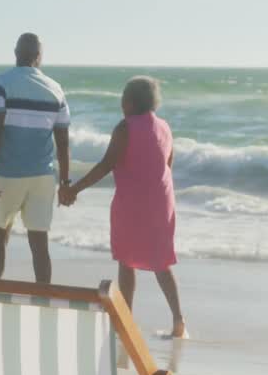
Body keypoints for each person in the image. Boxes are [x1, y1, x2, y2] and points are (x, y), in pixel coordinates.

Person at [63, 76, 187, 338]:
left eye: (123, 98)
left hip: (132, 202)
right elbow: (168, 163)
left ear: (130, 102)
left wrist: (74, 189)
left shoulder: (124, 128)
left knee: (126, 259)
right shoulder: (165, 126)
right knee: (161, 262)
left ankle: (127, 320)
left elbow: (106, 165)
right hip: (162, 200)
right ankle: (179, 321)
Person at [0, 32, 71, 282]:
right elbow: (63, 141)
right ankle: (44, 299)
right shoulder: (55, 89)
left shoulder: (1, 84)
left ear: (15, 53)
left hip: (6, 173)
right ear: (39, 57)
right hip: (43, 176)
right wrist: (65, 182)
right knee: (40, 244)